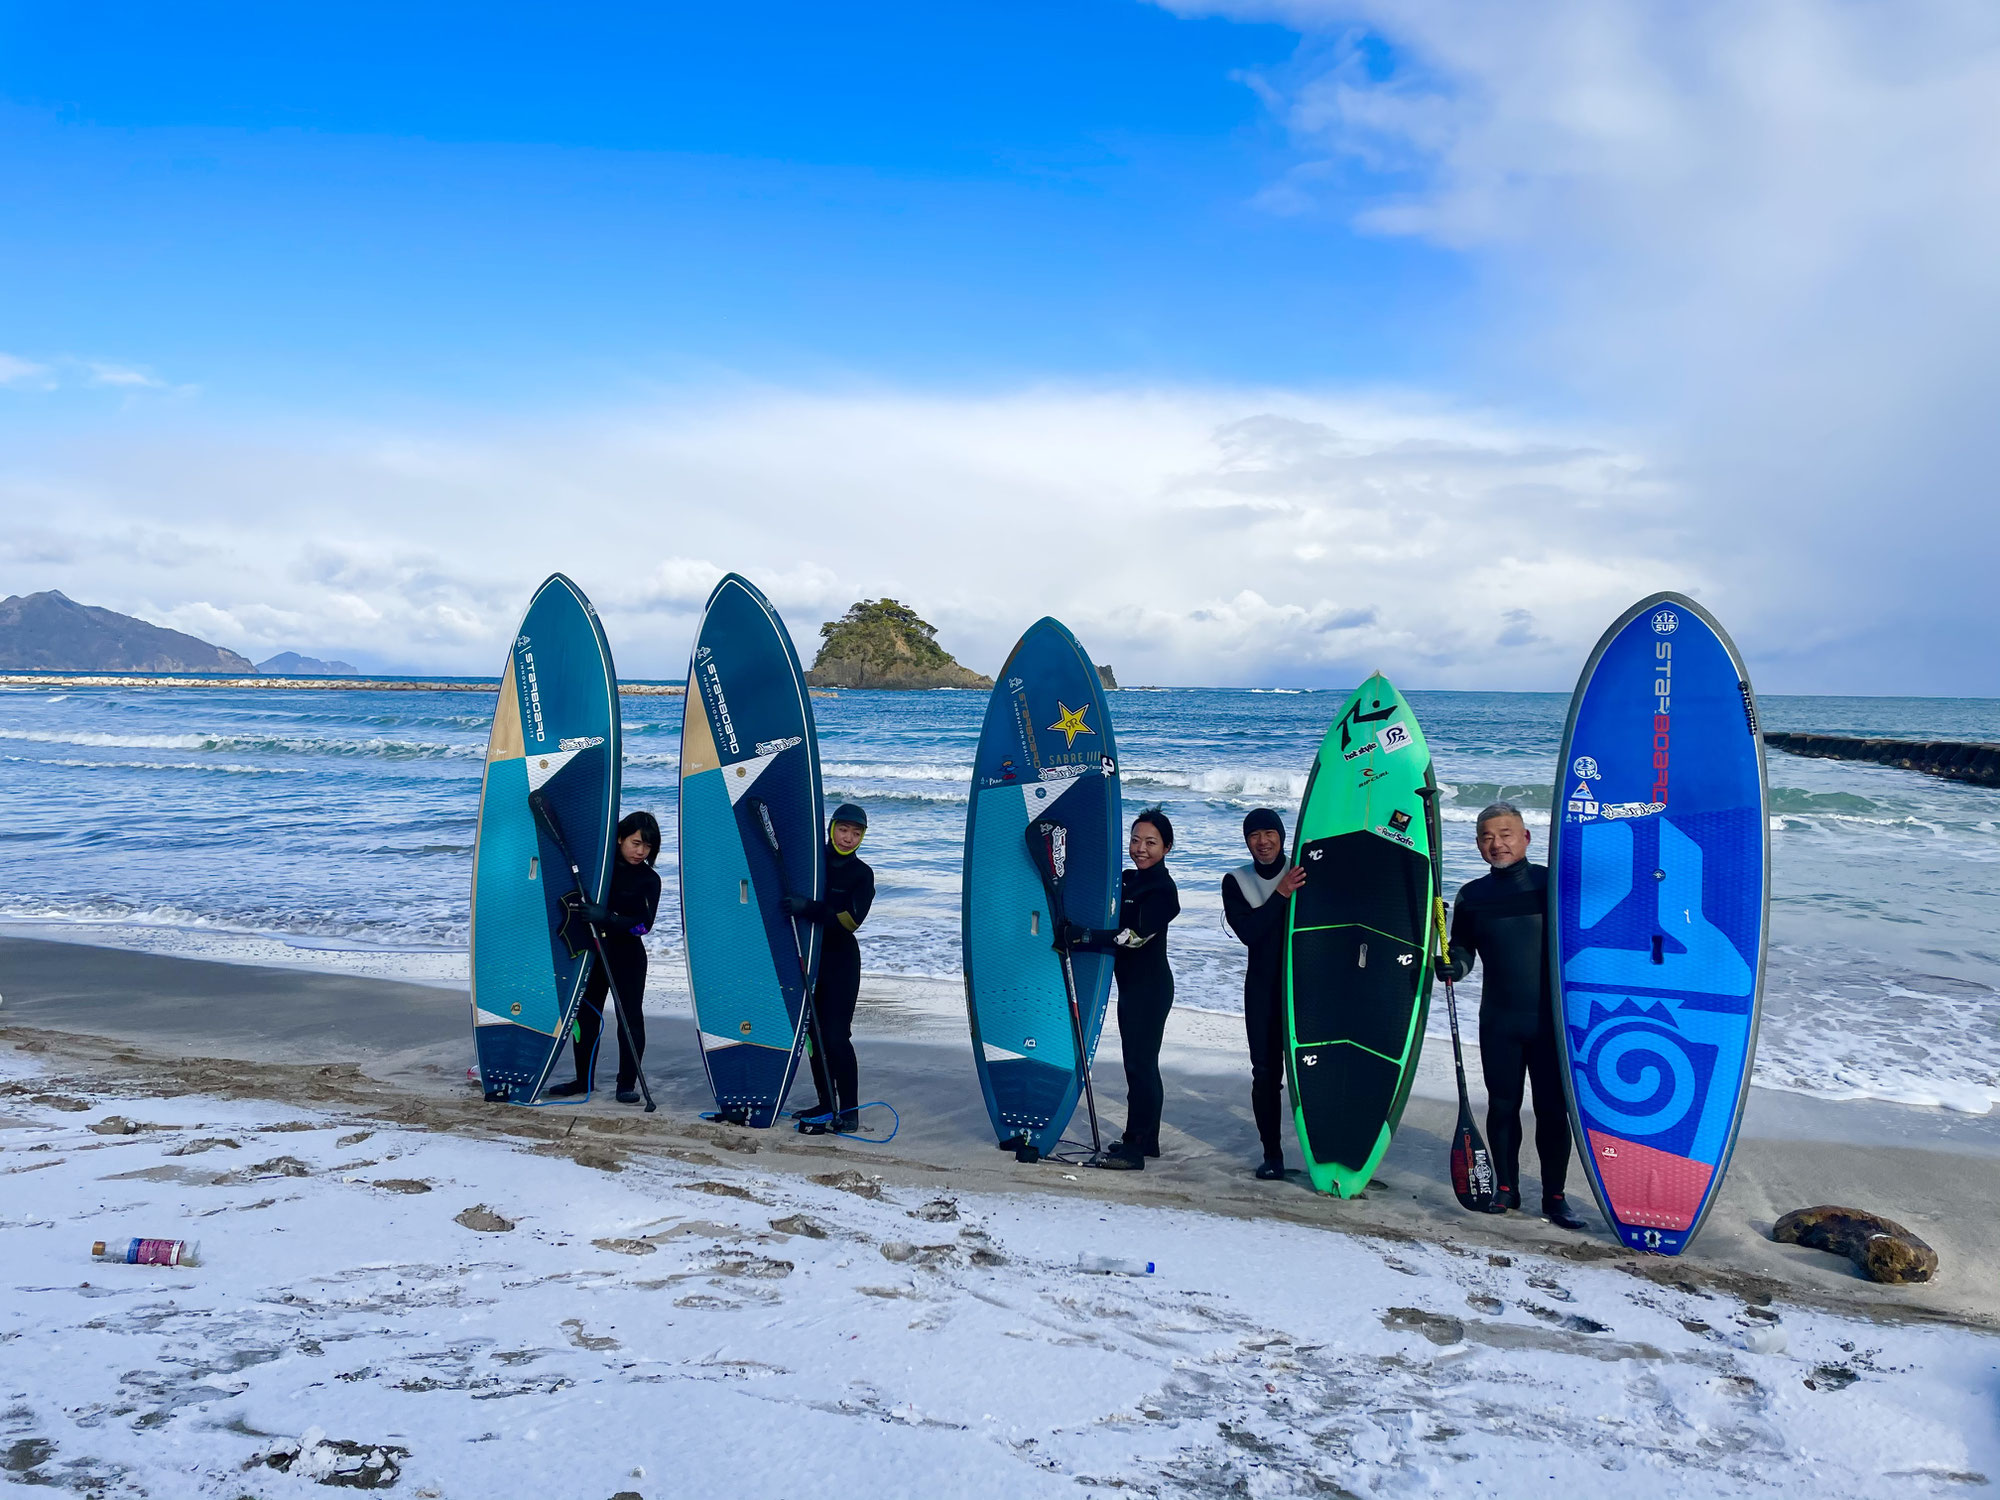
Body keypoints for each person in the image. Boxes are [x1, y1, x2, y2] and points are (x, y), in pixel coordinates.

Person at [1444, 801, 1584, 1229]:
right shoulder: (1471, 896)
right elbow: (1464, 949)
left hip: (1551, 1022)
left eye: (1506, 834)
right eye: (1486, 837)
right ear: (1477, 845)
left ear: (1526, 837)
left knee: (1552, 1110)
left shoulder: (1554, 883)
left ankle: (1555, 1197)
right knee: (1502, 1106)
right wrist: (1454, 966)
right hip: (1499, 1021)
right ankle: (1506, 1188)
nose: (1496, 843)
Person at [1061, 807, 1181, 1170]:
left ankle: (1136, 1149)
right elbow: (1095, 883)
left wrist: (1082, 937)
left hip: (1150, 989)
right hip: (1131, 988)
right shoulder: (1128, 880)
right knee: (1136, 1067)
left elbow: (1133, 937)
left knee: (1142, 1068)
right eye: (1135, 840)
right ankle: (1144, 1141)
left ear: (1167, 847)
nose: (1140, 848)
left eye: (1150, 842)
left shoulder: (1163, 890)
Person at [547, 811, 661, 1103]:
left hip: (627, 956)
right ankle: (583, 1080)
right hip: (592, 953)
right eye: (636, 843)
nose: (641, 851)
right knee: (585, 1016)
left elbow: (642, 925)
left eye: (647, 846)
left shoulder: (649, 879)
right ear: (620, 837)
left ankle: (626, 1084)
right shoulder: (598, 868)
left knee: (630, 1018)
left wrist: (607, 917)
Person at [1223, 807, 1307, 1180]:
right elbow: (1251, 934)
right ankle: (1272, 1154)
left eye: (1269, 833)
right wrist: (1282, 894)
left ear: (1281, 835)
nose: (1262, 842)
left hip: (1305, 987)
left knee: (1312, 1072)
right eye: (1254, 835)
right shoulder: (1235, 881)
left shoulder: (1304, 870)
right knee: (1266, 1074)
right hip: (1262, 989)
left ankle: (1325, 1150)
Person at [783, 802, 876, 1135]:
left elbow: (848, 921)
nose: (848, 838)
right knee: (812, 1035)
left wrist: (808, 908)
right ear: (831, 827)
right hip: (806, 956)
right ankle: (826, 1103)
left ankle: (849, 1110)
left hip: (840, 961)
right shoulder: (810, 862)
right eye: (843, 829)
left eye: (856, 833)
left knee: (837, 1037)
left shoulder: (862, 874)